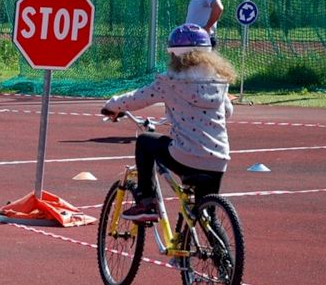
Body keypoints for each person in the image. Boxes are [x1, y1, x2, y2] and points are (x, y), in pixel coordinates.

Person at [101, 23, 237, 222]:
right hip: (218, 159)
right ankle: (221, 250)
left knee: (145, 141)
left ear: (174, 55)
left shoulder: (170, 82)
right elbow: (227, 112)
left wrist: (112, 105)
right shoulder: (218, 82)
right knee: (207, 218)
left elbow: (139, 97)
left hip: (185, 155)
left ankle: (147, 202)